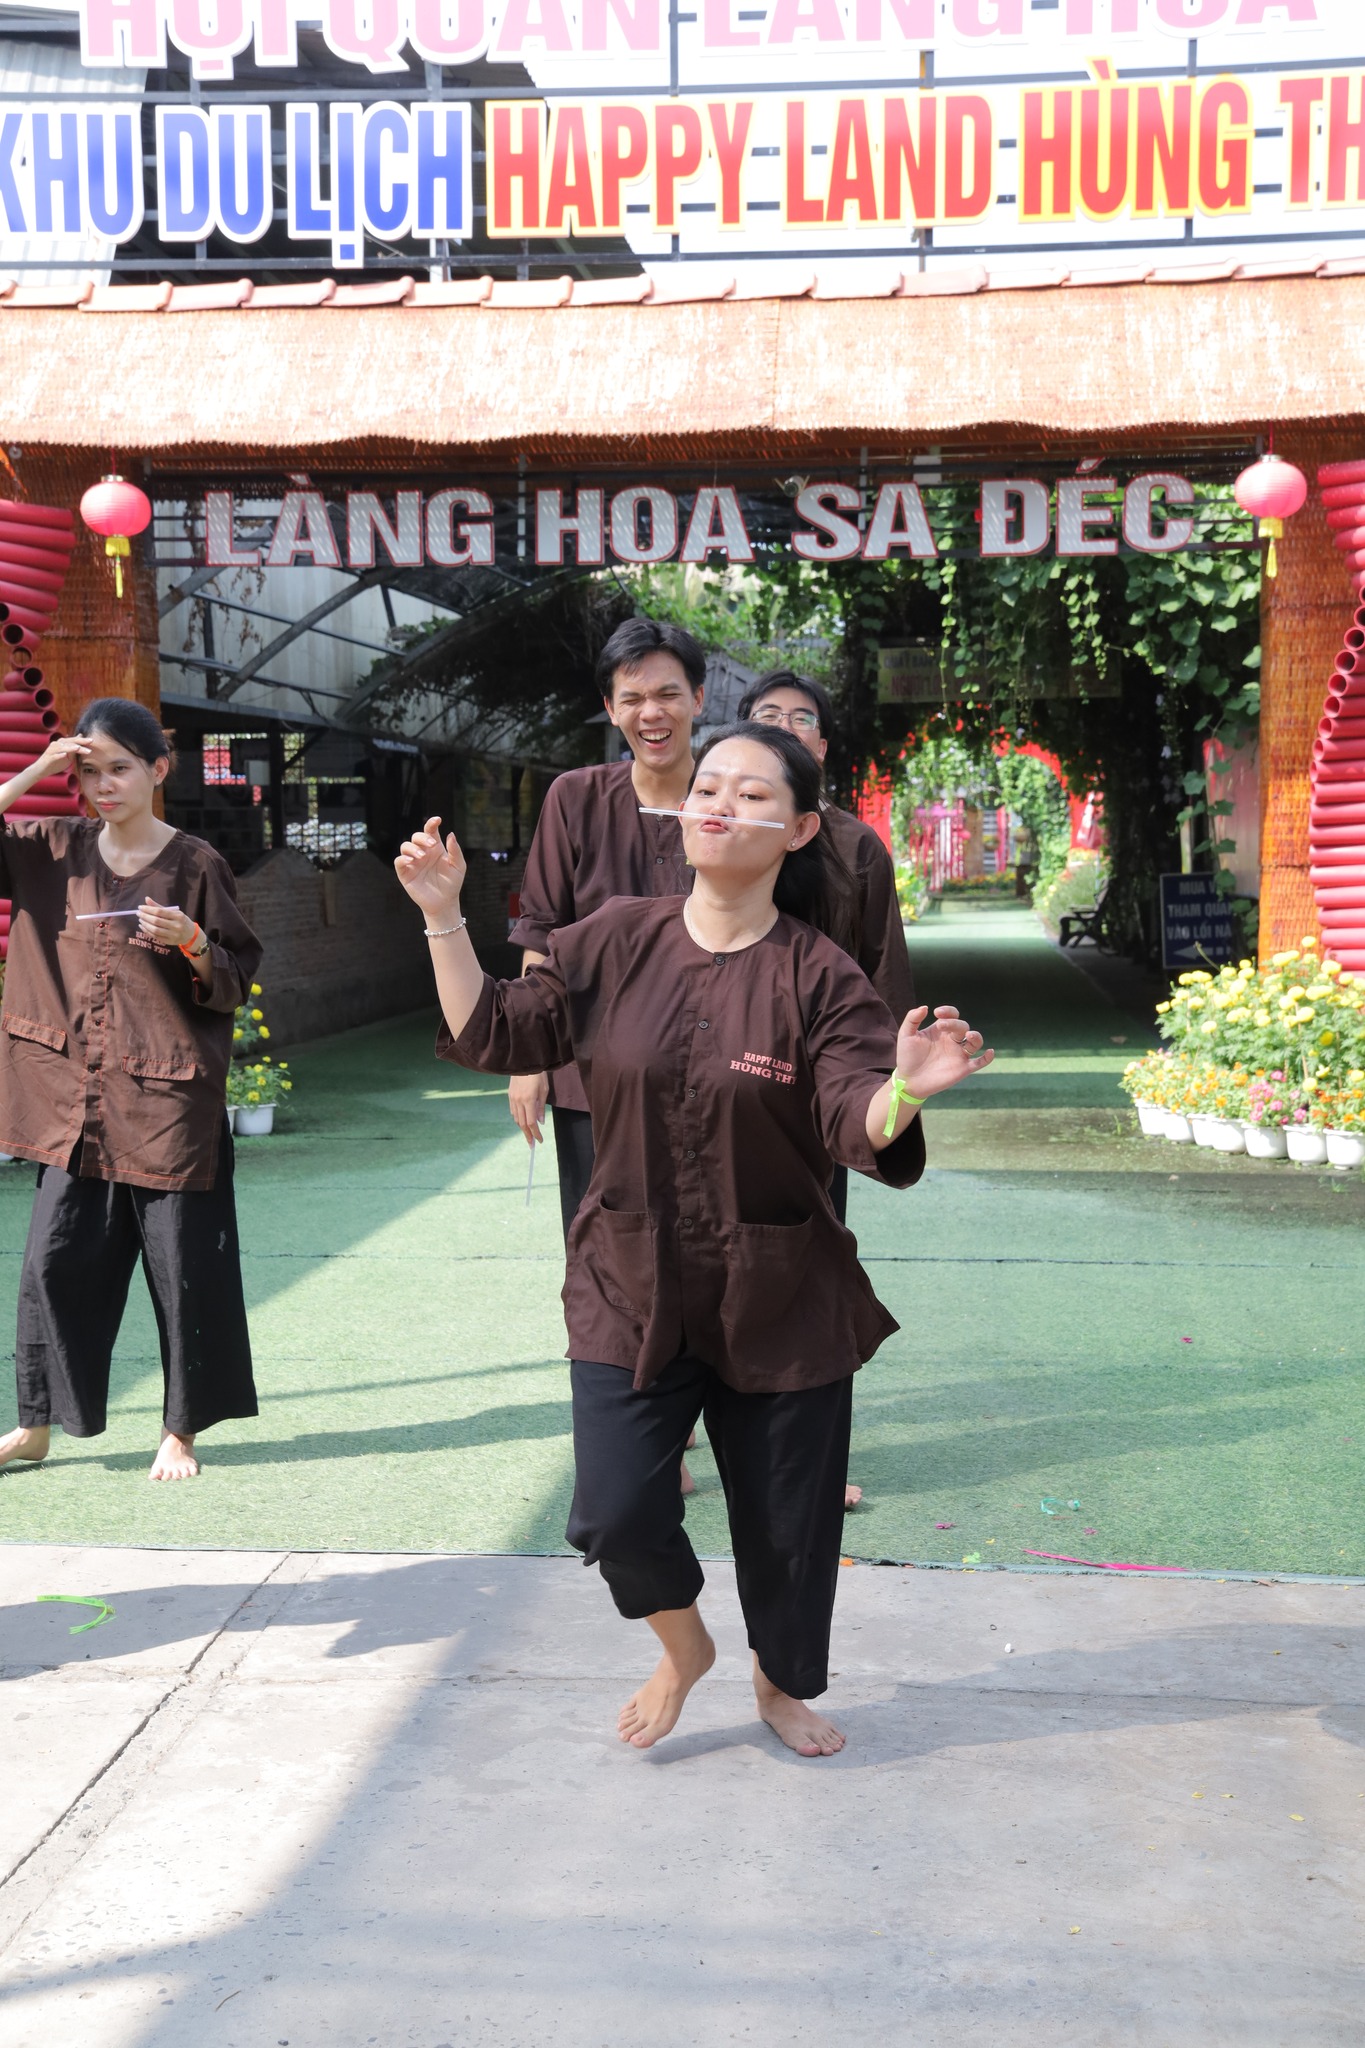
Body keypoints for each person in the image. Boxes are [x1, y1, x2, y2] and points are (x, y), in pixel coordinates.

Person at [395, 722, 992, 1757]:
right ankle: (684, 1648)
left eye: (752, 795)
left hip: (779, 1288)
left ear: (798, 829)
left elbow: (853, 1121)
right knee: (615, 1510)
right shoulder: (611, 939)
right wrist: (443, 917)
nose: (719, 804)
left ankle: (778, 1685)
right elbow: (495, 1029)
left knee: (788, 1524)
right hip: (627, 1277)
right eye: (708, 787)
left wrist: (904, 1087)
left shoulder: (821, 977)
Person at [0, 700, 261, 1483]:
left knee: (183, 1272)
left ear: (158, 769)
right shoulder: (52, 848)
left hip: (166, 1106)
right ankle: (35, 1426)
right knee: (51, 1264)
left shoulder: (195, 865)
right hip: (71, 1105)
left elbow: (235, 976)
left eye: (119, 769)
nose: (103, 786)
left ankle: (181, 1430)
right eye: (90, 772)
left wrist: (192, 941)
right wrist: (39, 768)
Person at [508, 614, 706, 1488]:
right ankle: (641, 1430)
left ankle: (704, 1409)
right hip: (593, 1070)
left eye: (667, 693)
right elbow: (540, 930)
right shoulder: (575, 798)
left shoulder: (731, 790)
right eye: (632, 699)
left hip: (713, 1068)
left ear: (699, 698)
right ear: (611, 708)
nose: (650, 712)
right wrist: (527, 1058)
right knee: (607, 1249)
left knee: (705, 1242)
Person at [738, 667, 917, 1507]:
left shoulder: (853, 847)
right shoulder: (711, 832)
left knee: (808, 1268)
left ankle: (812, 1457)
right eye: (764, 714)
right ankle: (672, 1431)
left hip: (817, 1093)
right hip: (717, 1085)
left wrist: (880, 1086)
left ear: (821, 743)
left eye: (799, 718)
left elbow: (883, 971)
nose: (783, 726)